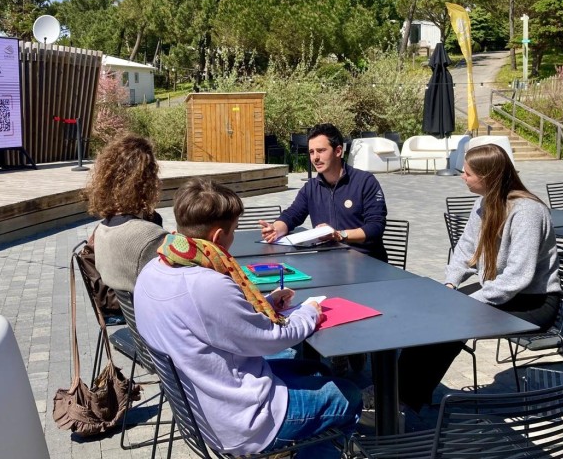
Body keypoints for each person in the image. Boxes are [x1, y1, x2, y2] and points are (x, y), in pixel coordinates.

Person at [134, 178, 361, 458]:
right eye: (233, 232)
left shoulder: (154, 268)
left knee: (319, 371)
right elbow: (271, 340)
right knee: (349, 395)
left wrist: (265, 304)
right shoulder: (207, 284)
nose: (233, 240)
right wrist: (309, 313)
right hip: (243, 420)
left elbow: (211, 319)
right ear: (217, 237)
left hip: (202, 404)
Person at [396, 143, 560, 421]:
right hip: (500, 291)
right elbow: (465, 250)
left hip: (534, 300)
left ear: (488, 177)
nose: (463, 176)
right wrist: (450, 285)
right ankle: (397, 392)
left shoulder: (527, 212)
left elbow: (518, 277)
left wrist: (468, 303)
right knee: (431, 313)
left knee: (452, 321)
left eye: (468, 173)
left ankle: (404, 401)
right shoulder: (484, 203)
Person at [260, 123, 388, 262]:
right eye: (311, 152)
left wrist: (340, 235)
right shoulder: (311, 188)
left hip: (366, 262)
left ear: (338, 151)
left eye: (321, 151)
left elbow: (375, 227)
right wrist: (276, 229)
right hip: (328, 262)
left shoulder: (365, 182)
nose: (315, 157)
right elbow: (291, 215)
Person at [85, 134, 166, 293]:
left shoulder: (101, 230)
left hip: (123, 311)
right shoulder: (151, 236)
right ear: (147, 180)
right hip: (148, 314)